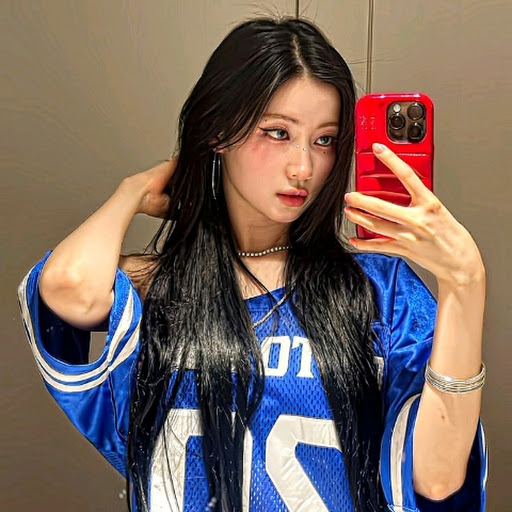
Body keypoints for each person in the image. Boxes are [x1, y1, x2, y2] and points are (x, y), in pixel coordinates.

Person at [17, 16, 487, 512]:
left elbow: (437, 478)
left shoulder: (379, 290)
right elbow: (69, 288)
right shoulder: (159, 284)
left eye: (325, 140)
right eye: (278, 132)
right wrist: (131, 192)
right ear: (219, 130)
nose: (303, 167)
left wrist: (466, 282)